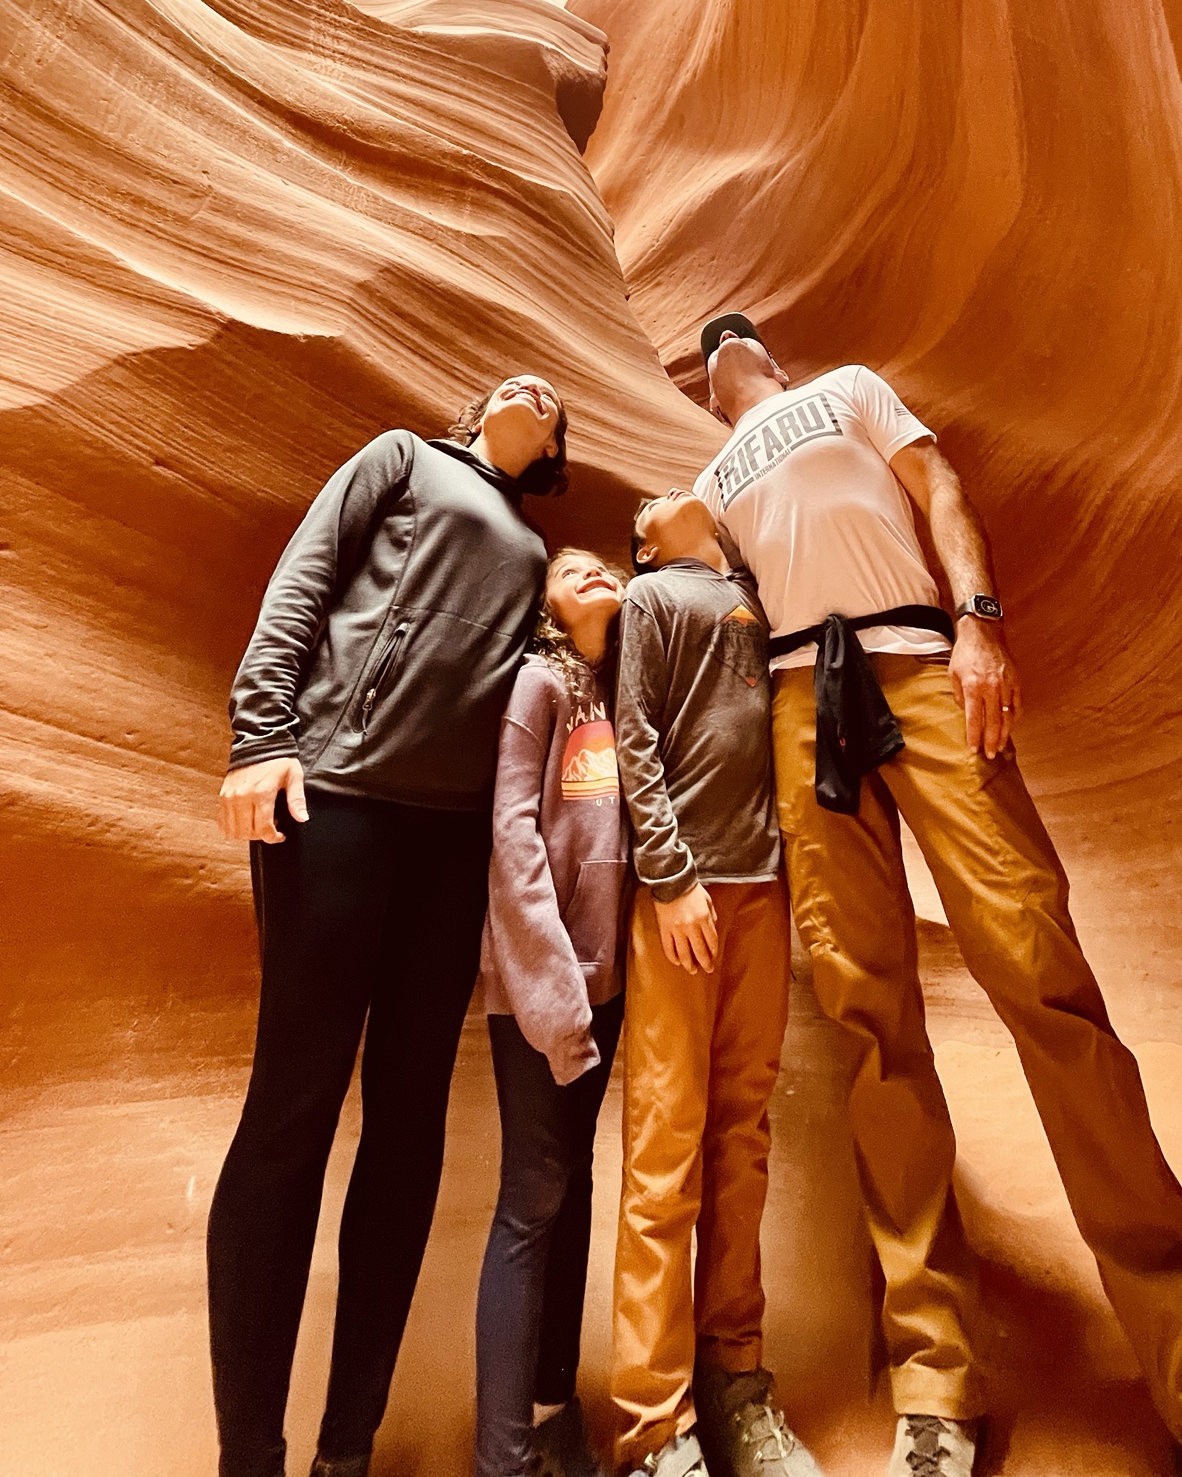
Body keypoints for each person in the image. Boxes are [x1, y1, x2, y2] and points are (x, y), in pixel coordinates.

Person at [690, 315, 1182, 1477]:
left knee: (1042, 971)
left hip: (918, 663)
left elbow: (938, 484)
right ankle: (935, 1379)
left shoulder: (850, 386)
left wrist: (977, 619)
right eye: (713, 344)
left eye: (744, 332)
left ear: (773, 354)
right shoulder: (708, 482)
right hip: (796, 706)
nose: (730, 343)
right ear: (704, 388)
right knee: (869, 1023)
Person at [209, 375, 568, 1477]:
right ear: (476, 409)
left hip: (452, 843)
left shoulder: (533, 545)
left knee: (409, 1126)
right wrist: (260, 734)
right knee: (294, 1106)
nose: (534, 385)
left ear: (554, 452)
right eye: (513, 379)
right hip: (338, 797)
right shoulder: (404, 457)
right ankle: (250, 1457)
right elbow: (306, 575)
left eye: (554, 401)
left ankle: (346, 1449)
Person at [608, 491, 819, 1477]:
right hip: (682, 900)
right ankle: (654, 1424)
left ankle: (736, 1380)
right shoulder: (651, 597)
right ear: (645, 547)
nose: (664, 495)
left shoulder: (755, 597)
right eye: (646, 509)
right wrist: (669, 875)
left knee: (743, 1135)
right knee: (666, 1144)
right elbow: (633, 735)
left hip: (762, 893)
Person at [476, 548, 633, 1477]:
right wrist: (556, 999)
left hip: (606, 990)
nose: (588, 570)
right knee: (532, 1200)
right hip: (543, 992)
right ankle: (502, 1457)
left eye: (599, 562)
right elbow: (512, 838)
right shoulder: (537, 683)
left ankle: (553, 1411)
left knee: (569, 1186)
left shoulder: (620, 691)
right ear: (541, 604)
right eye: (566, 568)